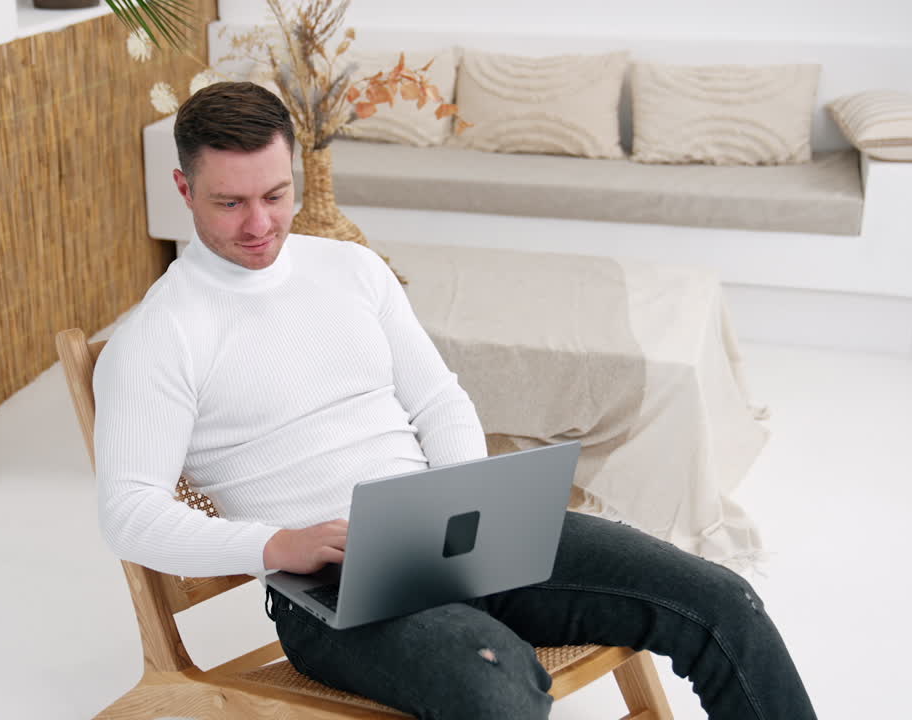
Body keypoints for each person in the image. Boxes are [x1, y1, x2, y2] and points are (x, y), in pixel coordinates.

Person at [93, 81, 816, 720]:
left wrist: (472, 507)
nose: (259, 225)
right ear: (185, 191)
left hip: (453, 537)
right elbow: (130, 515)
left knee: (721, 600)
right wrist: (276, 545)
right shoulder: (157, 337)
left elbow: (438, 398)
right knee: (495, 683)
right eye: (230, 203)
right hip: (330, 591)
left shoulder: (350, 268)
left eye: (277, 195)